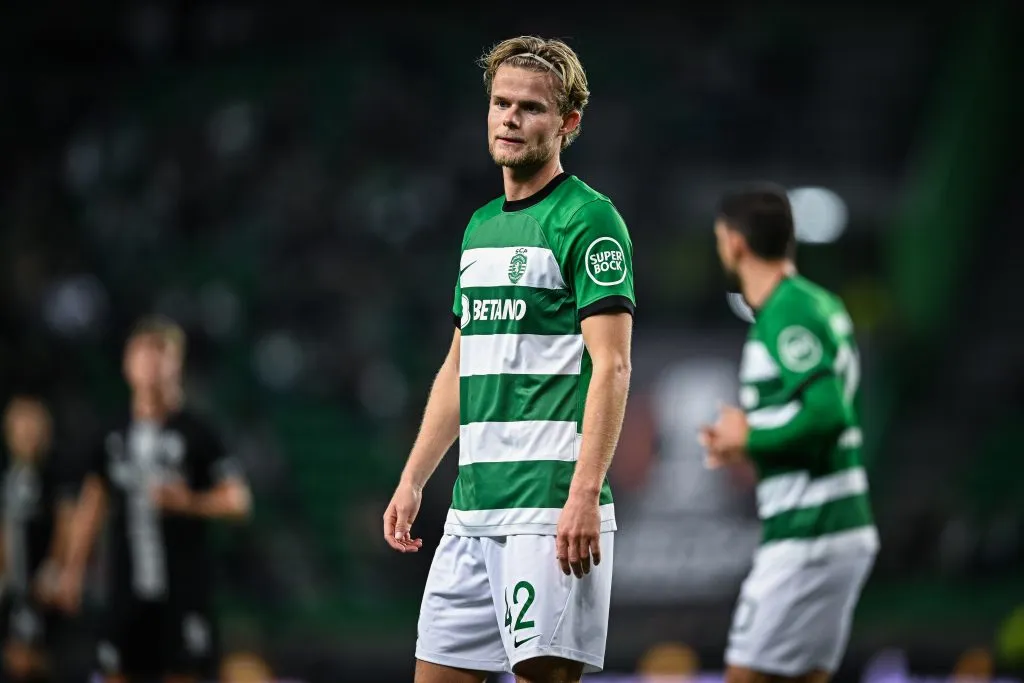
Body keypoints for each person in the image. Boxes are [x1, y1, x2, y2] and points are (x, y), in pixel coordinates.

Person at [382, 35, 635, 683]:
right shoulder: (480, 227)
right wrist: (414, 477)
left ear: (568, 122)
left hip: (547, 509)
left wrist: (583, 492)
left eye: (531, 108)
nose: (511, 118)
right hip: (473, 510)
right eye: (500, 103)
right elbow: (460, 363)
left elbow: (612, 365)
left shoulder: (588, 220)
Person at [699, 184, 878, 683]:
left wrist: (747, 440)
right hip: (834, 528)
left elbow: (828, 415)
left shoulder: (786, 311)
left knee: (746, 675)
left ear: (735, 242)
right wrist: (750, 435)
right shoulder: (817, 302)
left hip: (810, 533)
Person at [55, 316, 251, 683]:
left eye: (162, 354)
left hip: (184, 590)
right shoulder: (112, 433)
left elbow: (239, 501)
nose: (152, 364)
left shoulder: (198, 433)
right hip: (125, 589)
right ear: (128, 363)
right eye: (144, 353)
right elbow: (93, 503)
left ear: (177, 363)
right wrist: (72, 571)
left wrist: (189, 502)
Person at [0, 395, 74, 683]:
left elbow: (66, 522)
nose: (27, 436)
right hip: (13, 586)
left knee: (42, 660)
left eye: (33, 429)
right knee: (14, 660)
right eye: (21, 429)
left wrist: (56, 567)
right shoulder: (7, 475)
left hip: (44, 585)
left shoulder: (55, 473)